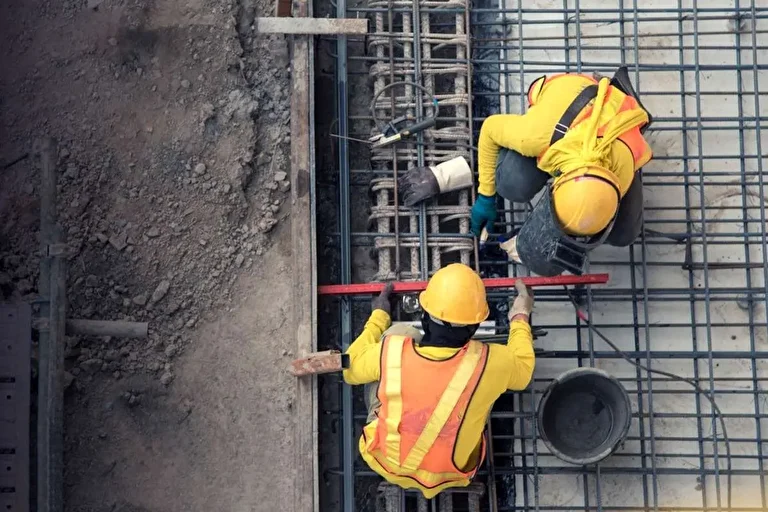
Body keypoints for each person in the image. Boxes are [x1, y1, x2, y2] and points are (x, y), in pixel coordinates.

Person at [342, 263, 535, 498]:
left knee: (398, 335)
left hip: (386, 461)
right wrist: (520, 316)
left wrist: (379, 316)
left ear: (425, 317)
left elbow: (349, 369)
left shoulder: (392, 352)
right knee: (484, 387)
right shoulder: (491, 362)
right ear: (474, 327)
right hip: (453, 474)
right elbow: (524, 371)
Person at [470, 67, 653, 276]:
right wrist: (486, 194)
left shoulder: (624, 167)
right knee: (511, 183)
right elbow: (489, 129)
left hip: (616, 124)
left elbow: (588, 209)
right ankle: (605, 86)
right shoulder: (536, 135)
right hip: (568, 100)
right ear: (556, 183)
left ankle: (621, 97)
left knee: (624, 234)